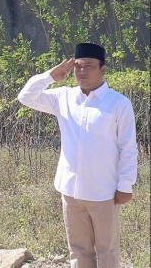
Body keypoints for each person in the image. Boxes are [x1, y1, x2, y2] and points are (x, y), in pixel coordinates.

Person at [18, 42, 138, 268]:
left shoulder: (119, 103)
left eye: (89, 66)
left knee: (107, 250)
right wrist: (49, 77)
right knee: (78, 250)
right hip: (71, 190)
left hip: (103, 191)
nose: (82, 72)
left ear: (102, 70)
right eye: (78, 67)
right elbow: (26, 97)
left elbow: (128, 147)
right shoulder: (64, 97)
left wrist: (126, 184)